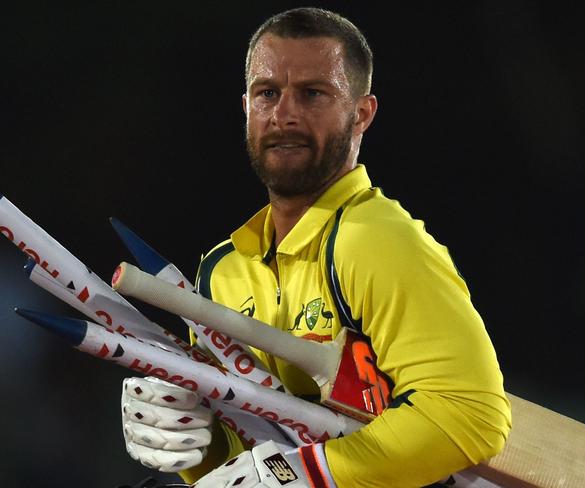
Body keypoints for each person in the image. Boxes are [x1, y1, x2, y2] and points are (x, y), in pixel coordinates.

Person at [120, 7, 512, 487]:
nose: (284, 114)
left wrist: (306, 475)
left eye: (312, 94)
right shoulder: (222, 269)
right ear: (246, 108)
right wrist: (190, 438)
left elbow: (471, 413)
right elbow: (246, 460)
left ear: (361, 114)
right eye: (268, 94)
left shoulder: (378, 240)